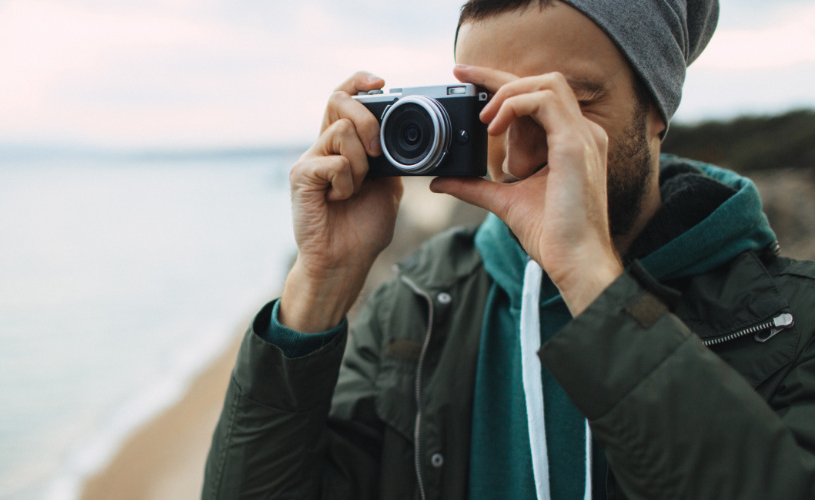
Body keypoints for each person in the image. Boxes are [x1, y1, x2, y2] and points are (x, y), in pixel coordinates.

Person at [203, 0, 815, 498]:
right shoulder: (418, 307)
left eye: (568, 104)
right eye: (486, 110)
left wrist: (589, 278)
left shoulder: (790, 325)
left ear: (657, 111)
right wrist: (323, 280)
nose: (517, 151)